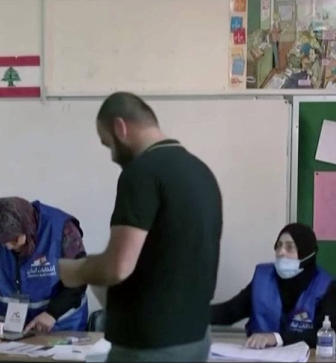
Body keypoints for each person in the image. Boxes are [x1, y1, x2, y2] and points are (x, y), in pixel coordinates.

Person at [58, 92, 223, 362]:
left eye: (107, 143)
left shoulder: (141, 173)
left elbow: (118, 266)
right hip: (196, 337)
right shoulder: (201, 172)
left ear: (120, 128)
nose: (112, 155)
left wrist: (74, 269)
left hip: (150, 345)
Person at [211, 223, 336, 349]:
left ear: (306, 253)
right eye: (278, 245)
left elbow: (325, 333)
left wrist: (277, 338)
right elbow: (230, 311)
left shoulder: (326, 287)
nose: (280, 252)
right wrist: (195, 315)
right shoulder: (262, 279)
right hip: (260, 357)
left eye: (289, 247)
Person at [0, 197, 88, 333]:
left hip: (61, 327)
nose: (7, 246)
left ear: (28, 229)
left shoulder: (63, 230)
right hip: (10, 331)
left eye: (14, 240)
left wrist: (52, 314)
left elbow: (80, 279)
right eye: (1, 242)